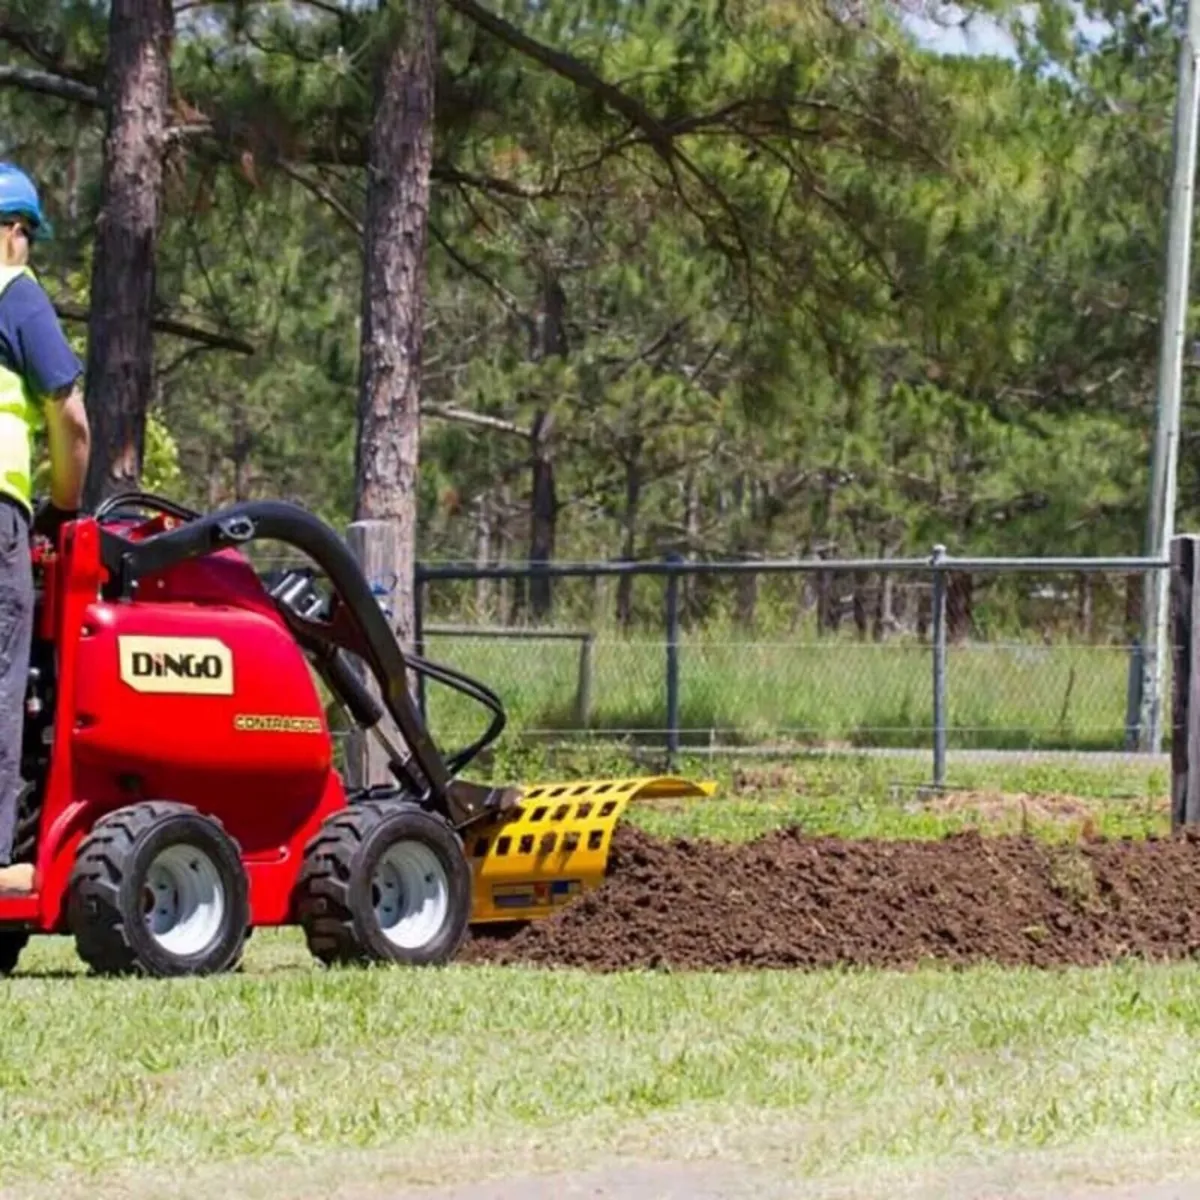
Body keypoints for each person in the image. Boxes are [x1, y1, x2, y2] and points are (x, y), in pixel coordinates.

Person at [0, 163, 90, 894]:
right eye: (25, 231)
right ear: (11, 231)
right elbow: (70, 418)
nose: (25, 246)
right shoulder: (15, 293)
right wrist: (64, 505)